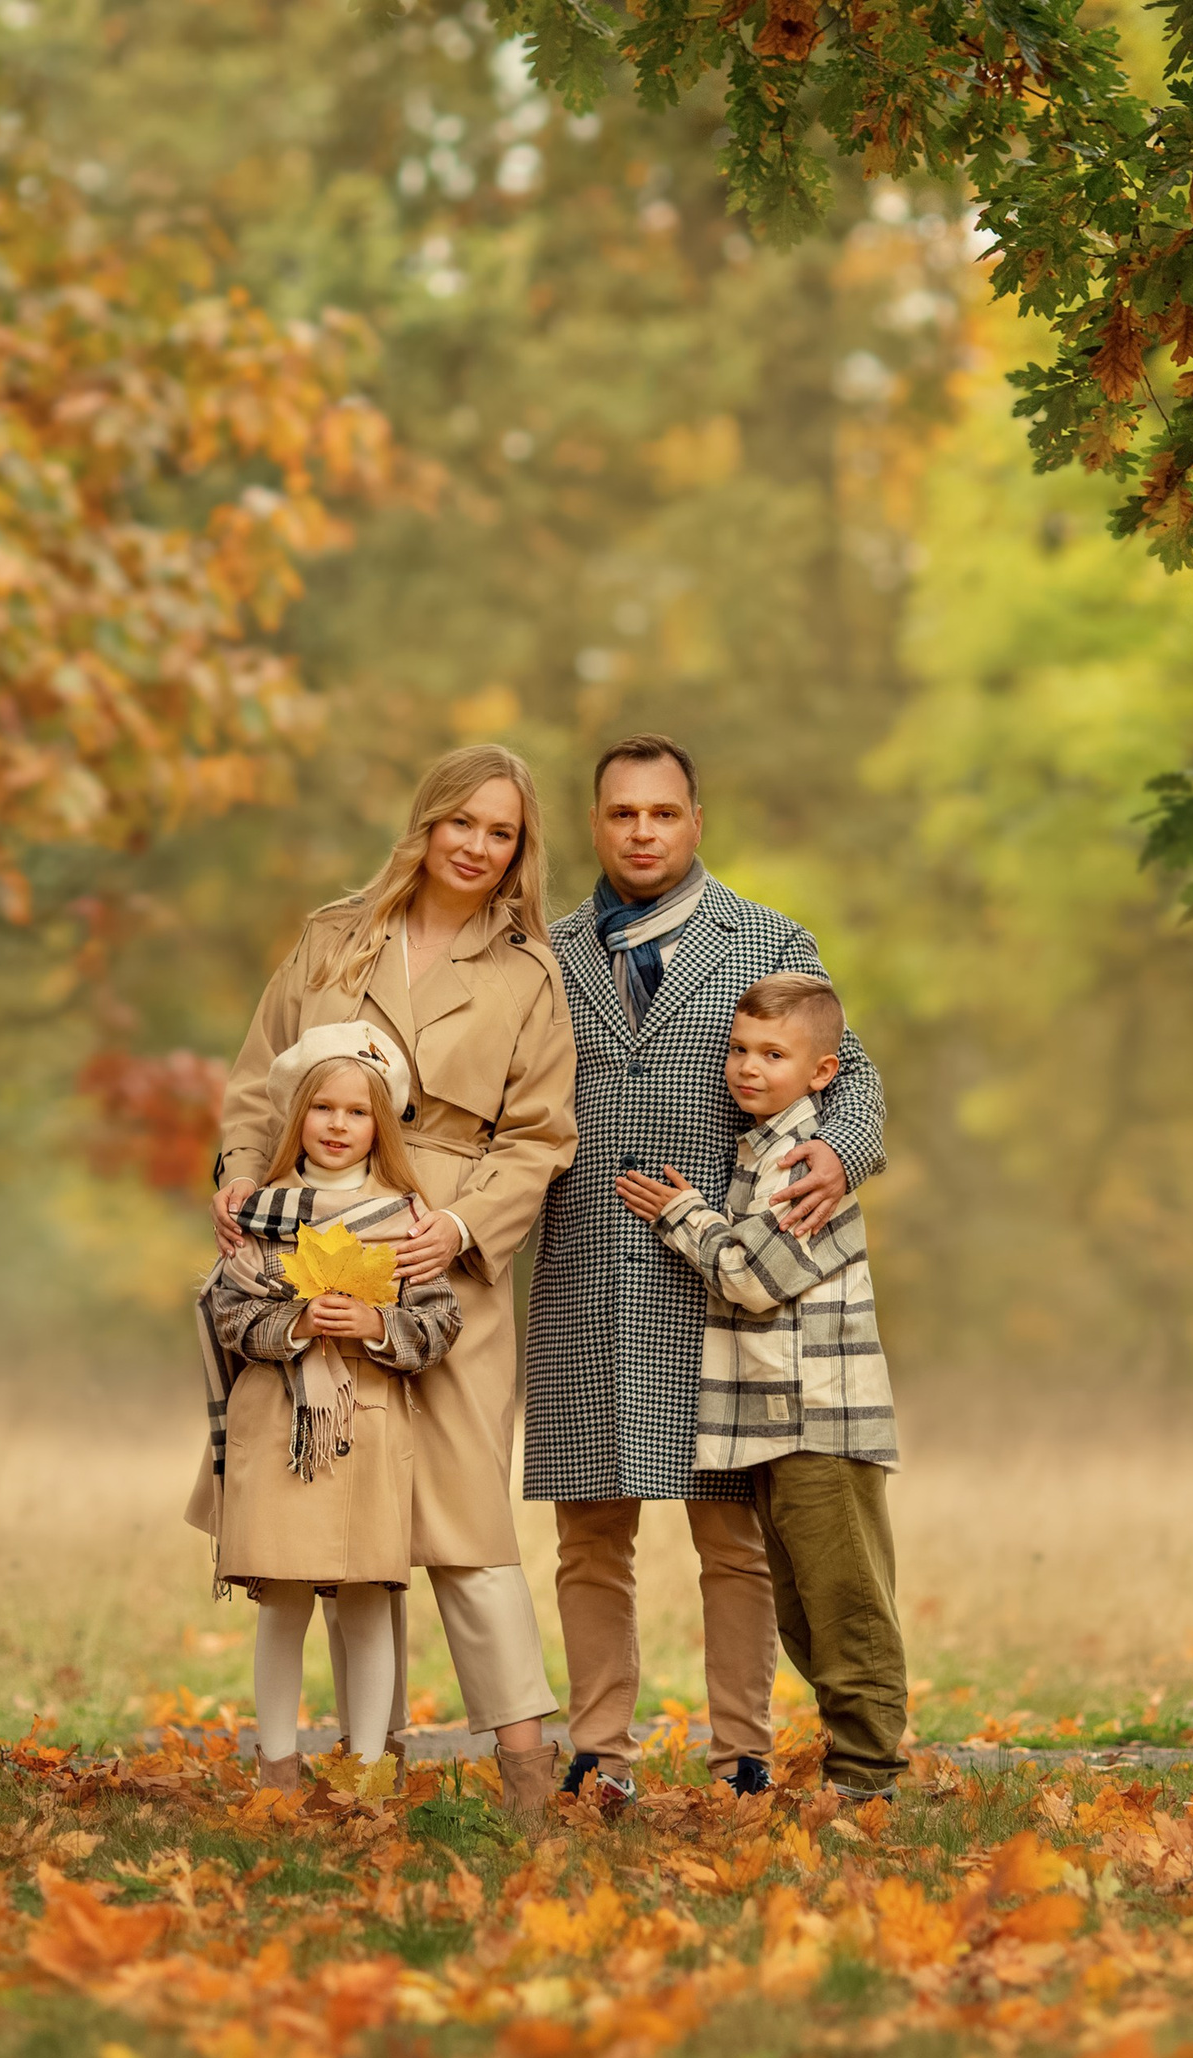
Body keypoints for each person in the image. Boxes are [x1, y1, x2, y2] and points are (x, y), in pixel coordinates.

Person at [212, 746, 577, 1821]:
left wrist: (459, 1225)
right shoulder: (333, 938)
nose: (476, 846)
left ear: (520, 851)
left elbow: (541, 1135)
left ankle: (524, 1765)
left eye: (500, 831)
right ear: (425, 824)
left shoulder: (528, 974)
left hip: (441, 1251)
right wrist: (239, 1180)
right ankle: (371, 1760)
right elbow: (252, 1082)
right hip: (310, 1231)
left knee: (463, 1512)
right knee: (326, 1493)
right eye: (460, 822)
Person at [525, 734, 886, 1809]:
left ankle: (741, 1754)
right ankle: (600, 1752)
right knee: (589, 1533)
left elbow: (852, 1074)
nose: (643, 832)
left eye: (663, 813)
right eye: (622, 814)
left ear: (695, 821)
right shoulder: (547, 955)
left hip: (723, 1290)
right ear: (595, 824)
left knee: (732, 1537)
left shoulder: (766, 939)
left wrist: (840, 1147)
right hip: (585, 1270)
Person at [616, 974, 907, 1796]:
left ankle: (869, 1774)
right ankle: (852, 1766)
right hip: (778, 1426)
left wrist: (682, 1213)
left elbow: (751, 1274)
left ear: (822, 1071)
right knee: (804, 1609)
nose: (748, 1067)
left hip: (824, 1421)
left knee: (846, 1604)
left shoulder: (806, 1158)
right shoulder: (760, 1144)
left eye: (773, 1054)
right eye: (739, 1050)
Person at [191, 1032, 464, 1785]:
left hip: (366, 1428)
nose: (338, 1124)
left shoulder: (404, 1218)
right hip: (273, 1421)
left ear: (382, 1124)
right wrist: (295, 1325)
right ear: (295, 1116)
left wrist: (376, 1325)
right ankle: (275, 1766)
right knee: (281, 1600)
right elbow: (228, 1316)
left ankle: (368, 1769)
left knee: (365, 1598)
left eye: (357, 1110)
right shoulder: (255, 1218)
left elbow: (440, 1321)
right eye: (322, 1107)